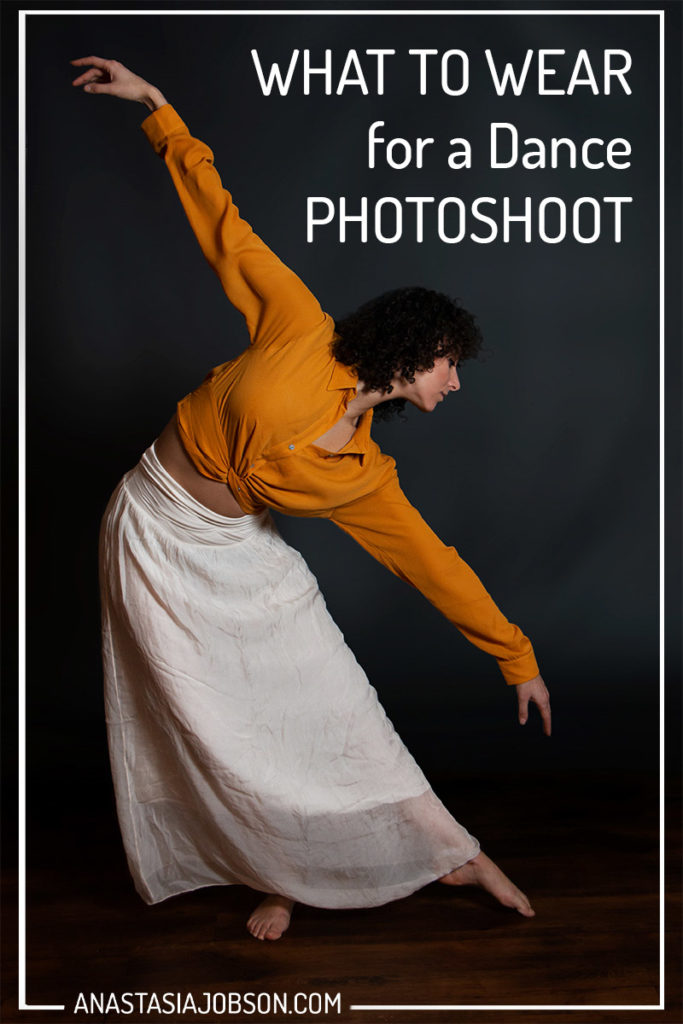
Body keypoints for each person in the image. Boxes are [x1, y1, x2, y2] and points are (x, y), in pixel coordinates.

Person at [72, 56, 552, 942]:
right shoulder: (299, 328)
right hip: (152, 531)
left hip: (238, 556)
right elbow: (224, 228)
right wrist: (160, 108)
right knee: (219, 726)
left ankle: (450, 851)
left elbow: (427, 561)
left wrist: (512, 654)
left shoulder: (365, 475)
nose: (454, 381)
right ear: (412, 348)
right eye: (449, 362)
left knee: (322, 704)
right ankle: (279, 877)